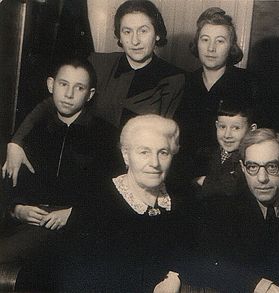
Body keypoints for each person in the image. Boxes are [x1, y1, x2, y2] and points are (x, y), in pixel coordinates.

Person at [2, 0, 185, 186]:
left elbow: (164, 141)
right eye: (127, 31)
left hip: (134, 174)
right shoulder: (98, 62)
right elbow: (53, 102)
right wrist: (16, 142)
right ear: (119, 36)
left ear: (157, 34)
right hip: (83, 167)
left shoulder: (173, 78)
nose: (135, 40)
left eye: (143, 30)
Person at [0, 57, 121, 267]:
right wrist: (17, 209)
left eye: (79, 88)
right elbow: (9, 185)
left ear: (90, 94)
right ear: (51, 85)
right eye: (63, 84)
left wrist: (73, 214)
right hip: (28, 225)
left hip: (78, 230)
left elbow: (113, 192)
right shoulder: (30, 133)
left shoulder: (106, 136)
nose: (68, 94)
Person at [51, 114, 191, 293]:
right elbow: (77, 276)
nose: (154, 163)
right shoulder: (96, 202)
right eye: (144, 152)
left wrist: (173, 277)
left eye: (163, 152)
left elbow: (191, 253)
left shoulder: (180, 201)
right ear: (126, 155)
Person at [184, 128, 279, 292]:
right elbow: (205, 265)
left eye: (272, 166)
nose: (262, 178)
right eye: (252, 167)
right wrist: (261, 287)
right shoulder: (222, 210)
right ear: (242, 167)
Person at [175, 7, 260, 162]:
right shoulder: (183, 83)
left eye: (220, 41)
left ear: (231, 46)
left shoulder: (250, 84)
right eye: (205, 39)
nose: (211, 48)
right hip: (184, 172)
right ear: (197, 43)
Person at [194, 99, 257, 199]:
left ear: (251, 129)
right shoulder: (205, 154)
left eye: (236, 128)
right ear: (216, 125)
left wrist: (203, 181)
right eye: (222, 127)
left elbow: (233, 187)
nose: (227, 135)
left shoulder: (250, 158)